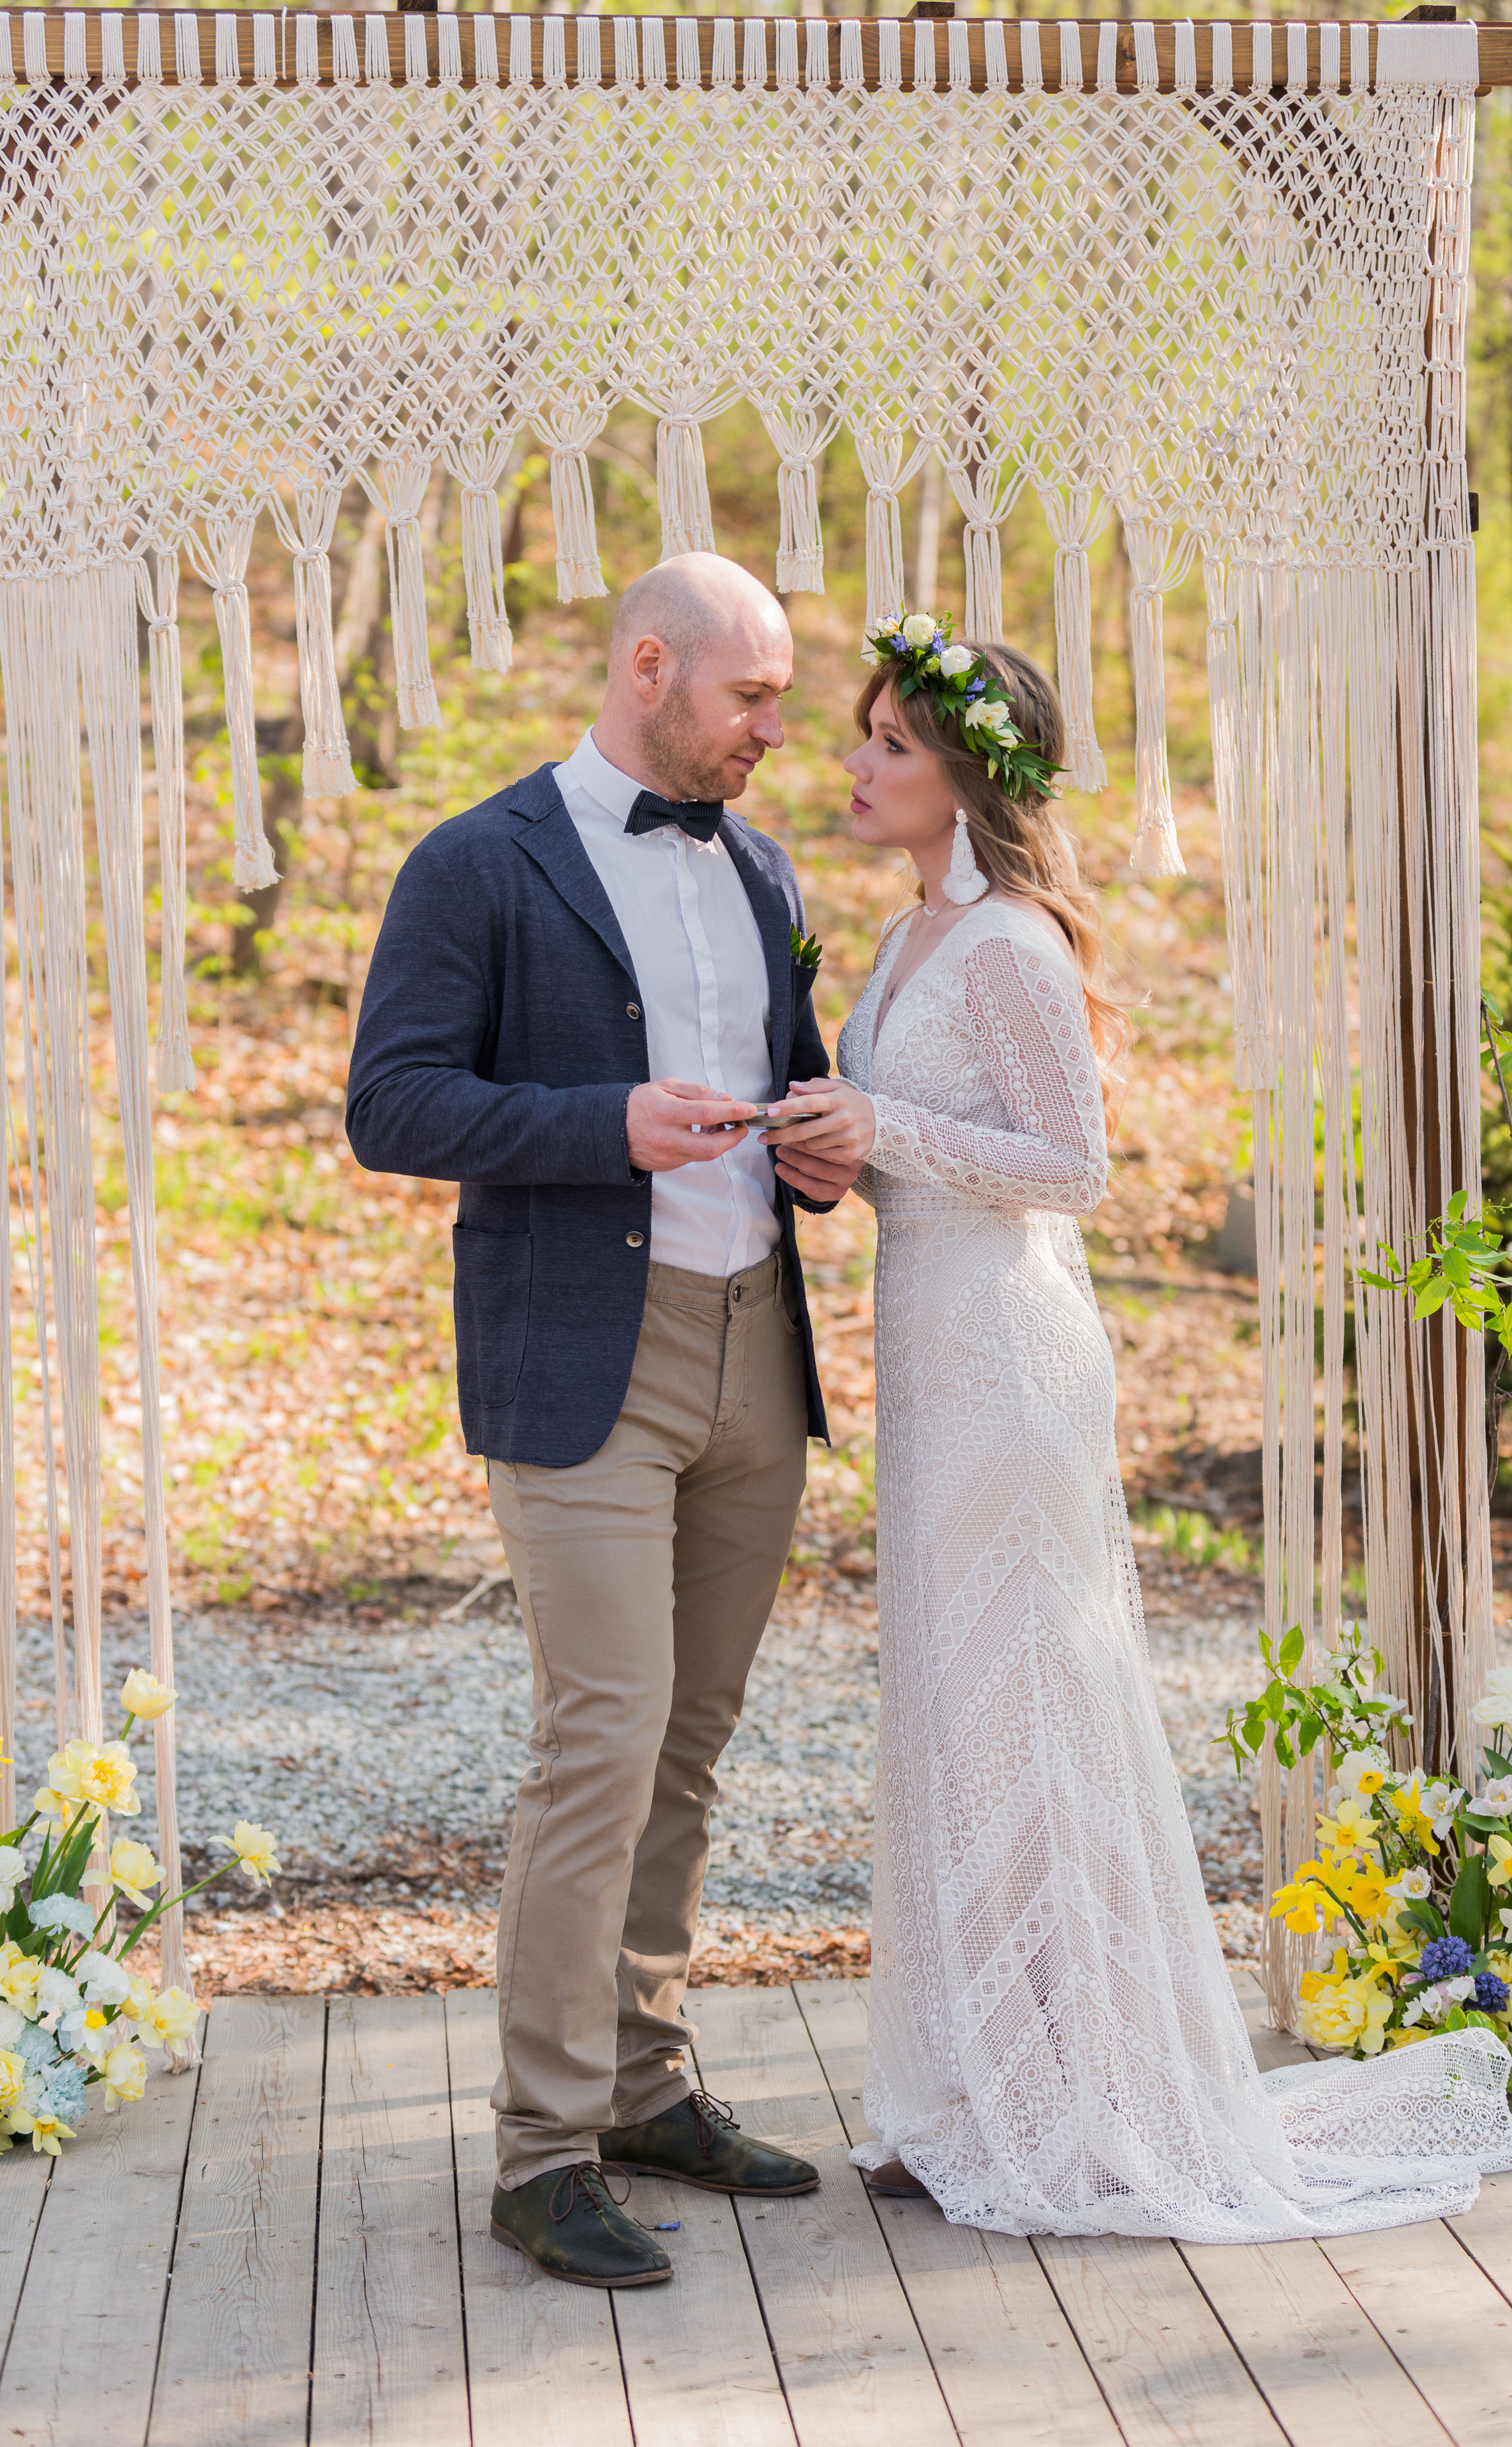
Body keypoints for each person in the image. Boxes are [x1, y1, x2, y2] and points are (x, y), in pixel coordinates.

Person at [763, 615, 1512, 2242]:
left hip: (1012, 1366)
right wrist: (834, 1152)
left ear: (964, 777)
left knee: (1028, 1710)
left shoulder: (1012, 945)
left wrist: (880, 1119)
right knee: (957, 1718)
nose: (854, 765)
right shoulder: (902, 945)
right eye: (863, 737)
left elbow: (1069, 1165)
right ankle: (971, 2086)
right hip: (929, 1350)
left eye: (888, 743)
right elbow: (925, 1147)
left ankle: (1082, 2090)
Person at [347, 556, 858, 2290]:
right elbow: (392, 1102)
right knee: (602, 1739)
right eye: (754, 697)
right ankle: (543, 2147)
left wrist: (821, 1141)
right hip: (585, 1359)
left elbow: (799, 1062)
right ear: (651, 665)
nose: (778, 731)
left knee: (689, 1746)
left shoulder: (767, 869)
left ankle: (647, 2085)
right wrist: (604, 1123)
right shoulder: (477, 865)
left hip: (754, 1359)